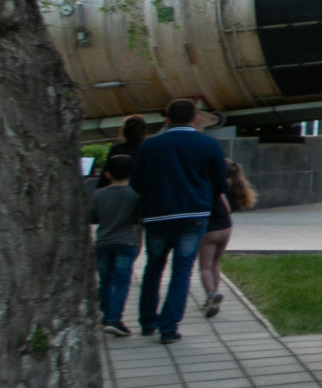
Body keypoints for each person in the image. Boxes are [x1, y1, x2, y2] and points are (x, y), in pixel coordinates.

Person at [129, 97, 228, 343]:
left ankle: (147, 320)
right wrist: (202, 199)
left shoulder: (150, 145)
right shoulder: (208, 145)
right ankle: (169, 327)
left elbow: (136, 182)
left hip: (157, 215)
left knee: (153, 267)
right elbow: (219, 184)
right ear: (195, 118)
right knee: (181, 271)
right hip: (193, 217)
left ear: (167, 119)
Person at [194, 161, 258, 319]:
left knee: (205, 267)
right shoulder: (233, 187)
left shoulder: (209, 187)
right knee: (215, 265)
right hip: (226, 228)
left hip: (209, 230)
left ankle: (210, 295)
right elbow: (228, 210)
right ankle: (214, 296)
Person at [90, 152, 143, 336]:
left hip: (103, 241)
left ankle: (105, 316)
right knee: (122, 281)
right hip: (126, 241)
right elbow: (139, 218)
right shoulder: (135, 195)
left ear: (107, 174)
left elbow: (93, 216)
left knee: (105, 281)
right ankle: (115, 319)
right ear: (131, 173)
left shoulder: (98, 195)